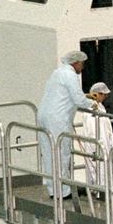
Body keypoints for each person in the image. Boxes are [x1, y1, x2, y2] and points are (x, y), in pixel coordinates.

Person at [37, 51, 95, 198]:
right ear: (76, 63)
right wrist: (92, 104)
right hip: (58, 120)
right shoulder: (70, 75)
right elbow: (78, 99)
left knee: (49, 154)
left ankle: (53, 190)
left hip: (44, 116)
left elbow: (63, 93)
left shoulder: (57, 73)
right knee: (61, 154)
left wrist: (86, 95)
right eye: (82, 64)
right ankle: (63, 192)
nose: (82, 68)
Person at [76, 82, 113, 189]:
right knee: (97, 171)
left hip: (104, 144)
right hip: (96, 145)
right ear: (98, 94)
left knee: (104, 170)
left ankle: (103, 191)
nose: (105, 97)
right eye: (104, 94)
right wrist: (96, 145)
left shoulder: (100, 107)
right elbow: (92, 130)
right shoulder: (91, 109)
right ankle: (98, 192)